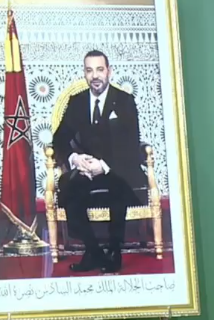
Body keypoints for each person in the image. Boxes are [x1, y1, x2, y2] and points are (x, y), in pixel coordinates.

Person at [53, 50, 147, 274]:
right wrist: (75, 159)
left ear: (109, 72)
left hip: (118, 168)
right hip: (86, 170)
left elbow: (131, 144)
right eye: (89, 70)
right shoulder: (76, 102)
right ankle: (93, 250)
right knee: (68, 186)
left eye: (99, 69)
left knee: (118, 185)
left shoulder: (124, 101)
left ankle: (114, 250)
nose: (95, 75)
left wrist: (103, 166)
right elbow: (59, 139)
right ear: (85, 74)